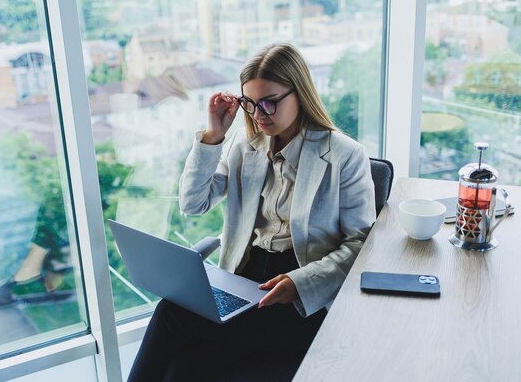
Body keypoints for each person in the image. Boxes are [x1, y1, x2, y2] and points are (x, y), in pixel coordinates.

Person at [127, 43, 376, 382]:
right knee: (179, 370)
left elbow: (362, 244)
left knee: (172, 317)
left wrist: (298, 282)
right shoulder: (245, 147)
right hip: (242, 285)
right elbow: (193, 203)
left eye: (270, 101)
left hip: (301, 299)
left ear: (299, 92)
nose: (259, 114)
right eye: (250, 103)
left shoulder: (345, 155)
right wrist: (214, 135)